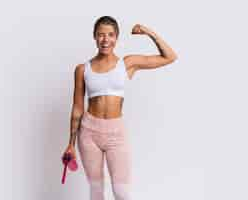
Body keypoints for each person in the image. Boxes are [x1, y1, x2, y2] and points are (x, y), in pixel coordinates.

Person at [62, 15, 178, 200]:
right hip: (89, 133)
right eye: (100, 35)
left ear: (116, 37)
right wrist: (71, 144)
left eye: (110, 35)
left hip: (116, 132)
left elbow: (170, 57)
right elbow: (77, 109)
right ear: (94, 37)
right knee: (96, 191)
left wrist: (148, 32)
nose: (105, 39)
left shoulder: (127, 64)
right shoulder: (83, 69)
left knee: (121, 192)